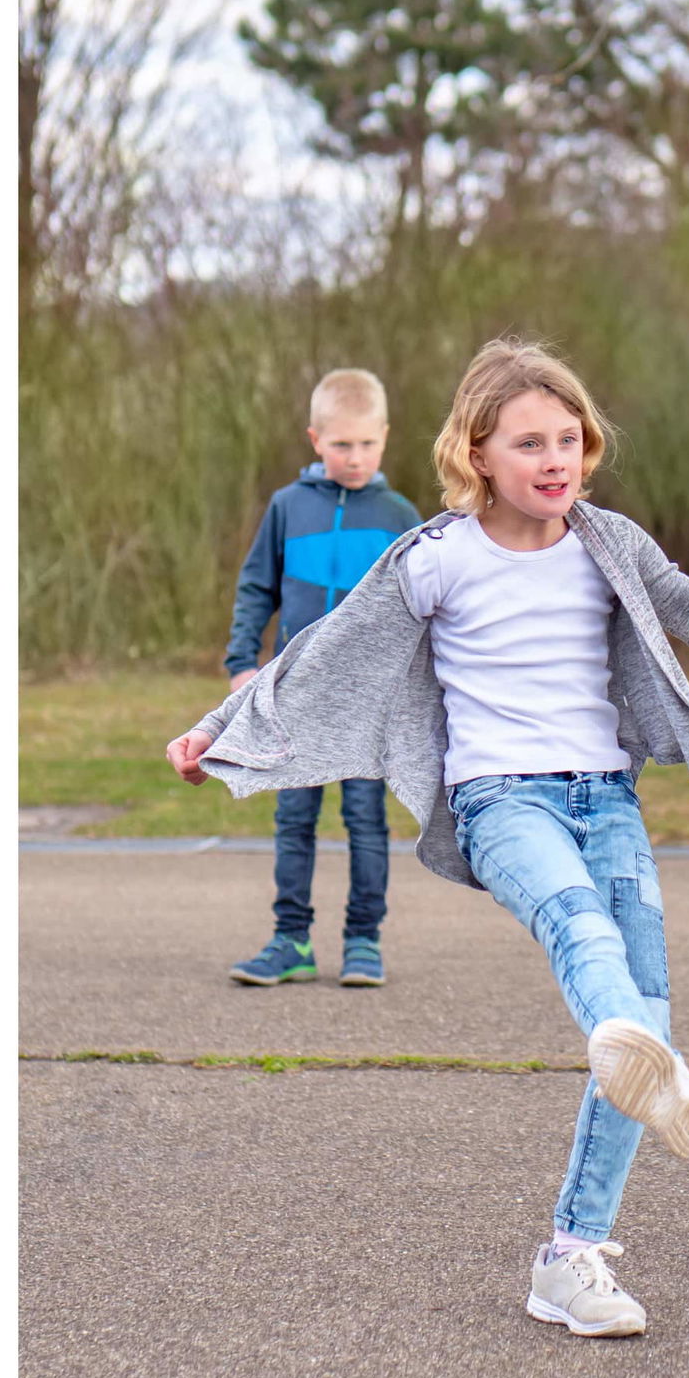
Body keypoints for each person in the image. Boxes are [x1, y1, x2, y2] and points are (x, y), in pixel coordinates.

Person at [166, 338, 689, 1337]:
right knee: (583, 934)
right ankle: (648, 1062)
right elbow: (322, 654)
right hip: (500, 803)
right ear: (477, 452)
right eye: (529, 443)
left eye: (569, 439)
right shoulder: (436, 558)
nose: (555, 459)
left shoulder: (609, 542)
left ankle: (570, 1260)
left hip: (606, 800)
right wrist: (217, 728)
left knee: (643, 1018)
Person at [222, 368, 421, 987]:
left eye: (366, 444)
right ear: (315, 440)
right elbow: (257, 587)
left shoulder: (400, 516)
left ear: (384, 437)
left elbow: (419, 609)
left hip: (368, 702)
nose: (355, 457)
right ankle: (291, 941)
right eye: (341, 445)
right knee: (293, 820)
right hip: (295, 698)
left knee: (365, 819)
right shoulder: (288, 507)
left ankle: (363, 940)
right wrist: (242, 663)